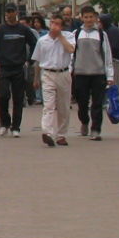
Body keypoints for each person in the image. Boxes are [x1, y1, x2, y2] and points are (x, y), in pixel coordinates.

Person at [0, 4, 37, 136]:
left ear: (16, 13)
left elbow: (34, 44)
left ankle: (16, 127)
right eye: (7, 12)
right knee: (2, 96)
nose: (9, 14)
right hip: (4, 68)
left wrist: (30, 60)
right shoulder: (0, 30)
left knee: (18, 98)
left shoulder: (23, 30)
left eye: (11, 11)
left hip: (18, 68)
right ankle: (4, 123)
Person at [71, 6, 116, 139]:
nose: (89, 20)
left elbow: (107, 55)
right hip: (81, 73)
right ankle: (84, 121)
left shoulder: (101, 34)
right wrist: (70, 70)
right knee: (82, 103)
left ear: (96, 18)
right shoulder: (76, 34)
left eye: (91, 17)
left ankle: (96, 129)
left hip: (98, 73)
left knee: (97, 103)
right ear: (82, 18)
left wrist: (110, 75)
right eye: (86, 17)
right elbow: (71, 54)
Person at [34, 14, 76, 147]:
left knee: (63, 106)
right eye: (52, 23)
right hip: (47, 74)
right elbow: (37, 60)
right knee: (49, 105)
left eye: (57, 24)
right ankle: (47, 132)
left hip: (63, 73)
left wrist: (60, 36)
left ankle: (61, 135)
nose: (54, 26)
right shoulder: (42, 40)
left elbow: (71, 49)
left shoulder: (69, 36)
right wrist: (36, 78)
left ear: (62, 26)